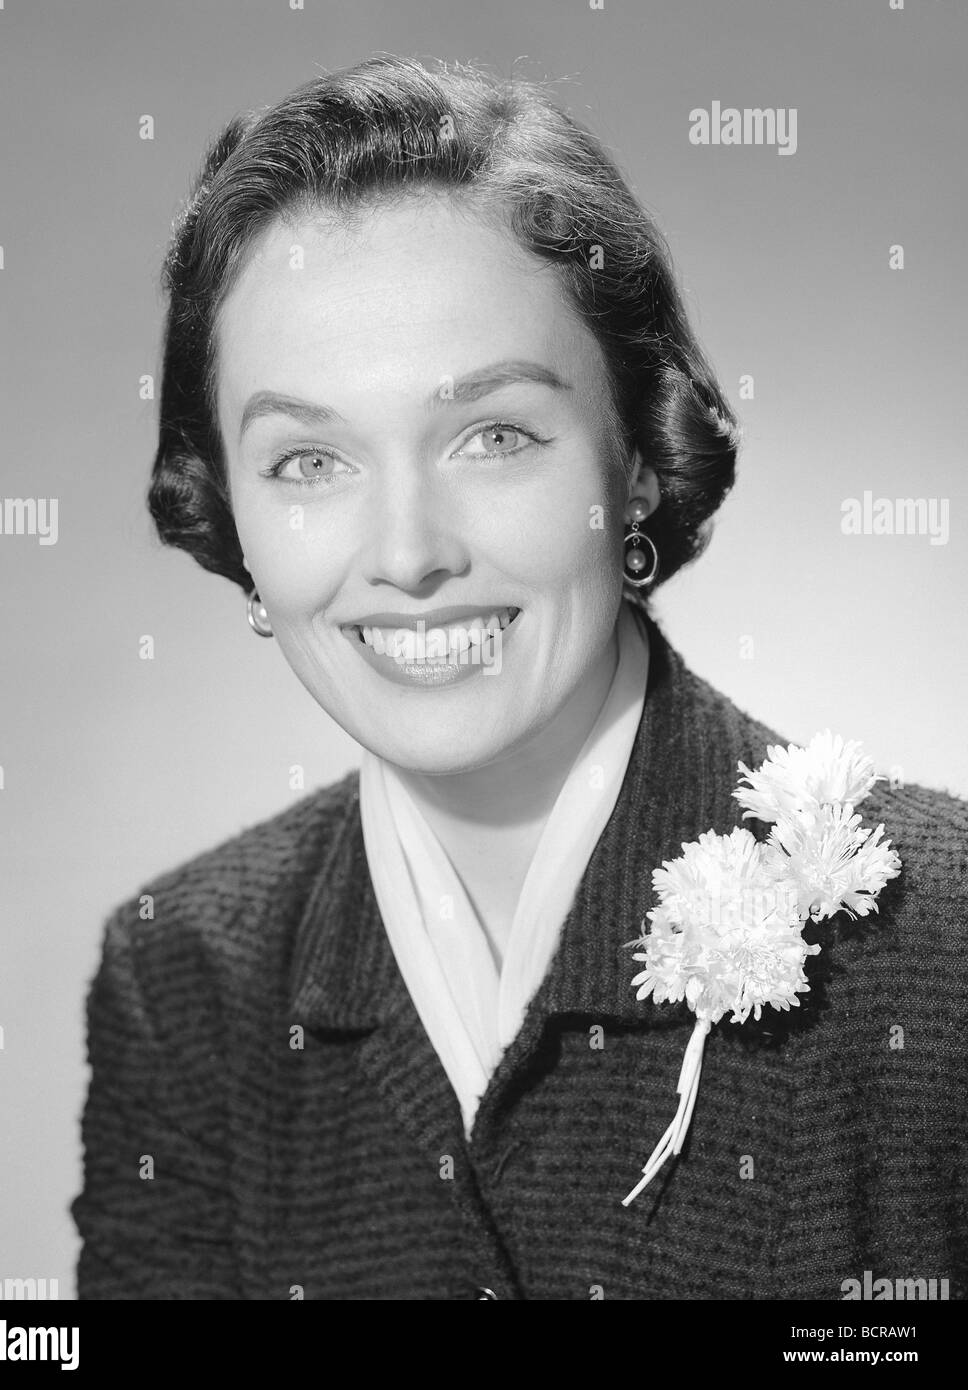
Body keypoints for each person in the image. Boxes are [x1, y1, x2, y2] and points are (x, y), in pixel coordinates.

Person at [71, 54, 967, 1301]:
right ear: (226, 511)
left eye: (493, 436)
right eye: (306, 460)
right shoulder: (185, 978)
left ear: (636, 456)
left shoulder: (936, 939)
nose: (407, 554)